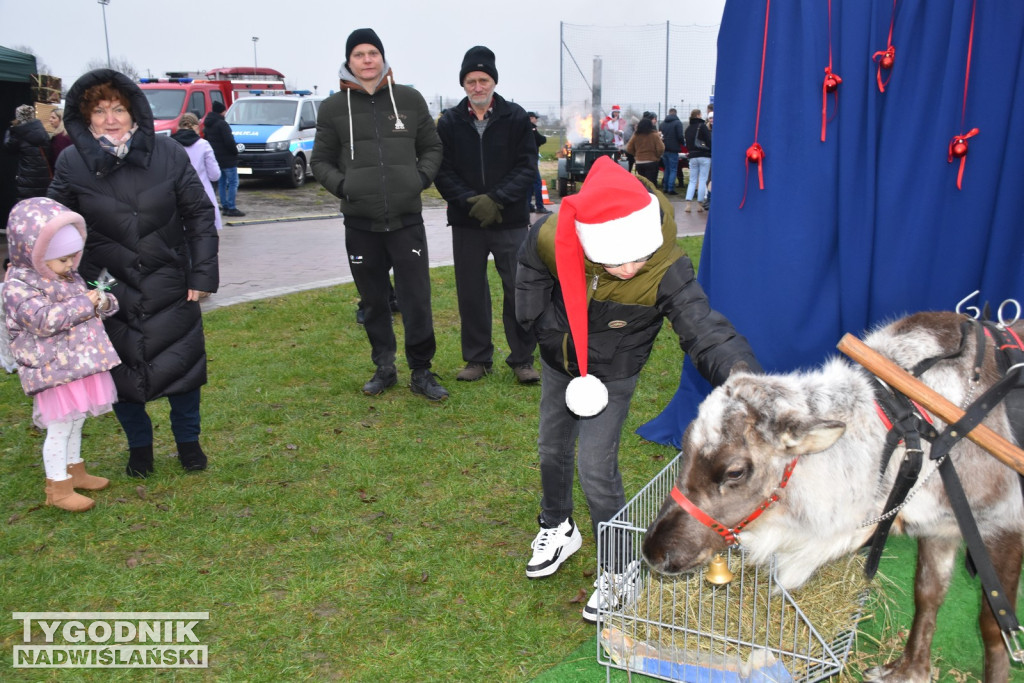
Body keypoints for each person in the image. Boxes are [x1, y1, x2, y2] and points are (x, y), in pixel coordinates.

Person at [516, 157, 761, 622]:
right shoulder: (553, 234)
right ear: (590, 243)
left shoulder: (664, 264)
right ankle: (557, 526)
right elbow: (528, 267)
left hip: (614, 369)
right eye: (618, 258)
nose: (631, 268)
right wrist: (539, 325)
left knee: (594, 464)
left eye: (639, 256)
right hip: (560, 361)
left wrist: (741, 378)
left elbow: (703, 328)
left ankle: (619, 565)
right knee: (551, 448)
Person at [48, 68, 219, 478]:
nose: (111, 118)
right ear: (84, 117)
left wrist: (202, 275)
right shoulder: (72, 161)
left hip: (169, 279)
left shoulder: (169, 153)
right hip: (106, 287)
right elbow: (52, 223)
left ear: (134, 111)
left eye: (119, 108)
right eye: (100, 110)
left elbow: (198, 214)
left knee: (182, 366)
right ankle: (139, 447)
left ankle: (188, 444)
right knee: (121, 372)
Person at [311, 28, 448, 401]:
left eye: (373, 53)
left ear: (383, 58)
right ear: (349, 61)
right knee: (373, 300)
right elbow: (319, 160)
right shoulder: (333, 107)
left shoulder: (409, 98)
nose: (367, 60)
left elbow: (432, 146)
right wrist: (344, 186)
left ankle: (422, 370)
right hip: (360, 223)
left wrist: (418, 179)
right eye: (359, 54)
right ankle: (384, 368)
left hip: (406, 221)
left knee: (416, 298)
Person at [3, 197, 121, 511]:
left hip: (79, 364)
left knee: (76, 420)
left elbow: (88, 309)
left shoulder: (68, 275)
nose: (71, 265)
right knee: (59, 426)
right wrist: (86, 303)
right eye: (63, 260)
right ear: (37, 254)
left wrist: (103, 302)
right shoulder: (17, 286)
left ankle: (75, 470)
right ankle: (57, 487)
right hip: (53, 370)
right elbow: (44, 321)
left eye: (73, 257)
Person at [434, 45, 540, 385]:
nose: (477, 86)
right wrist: (470, 201)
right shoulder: (449, 122)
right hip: (466, 223)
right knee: (471, 291)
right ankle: (477, 359)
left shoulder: (516, 117)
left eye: (483, 79)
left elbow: (526, 167)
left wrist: (496, 200)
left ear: (493, 81)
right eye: (471, 80)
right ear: (463, 84)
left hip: (509, 221)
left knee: (518, 289)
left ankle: (523, 358)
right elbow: (442, 170)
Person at [172, 113, 222, 232]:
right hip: (202, 195)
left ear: (179, 126)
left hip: (177, 196)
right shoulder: (203, 145)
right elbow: (215, 175)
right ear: (197, 126)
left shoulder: (171, 144)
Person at [203, 101, 245, 217]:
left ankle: (225, 206)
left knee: (222, 183)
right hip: (228, 159)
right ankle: (231, 207)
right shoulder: (222, 124)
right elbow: (229, 141)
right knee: (233, 183)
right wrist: (235, 152)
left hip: (216, 159)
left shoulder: (208, 124)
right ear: (222, 111)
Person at [4, 105, 52, 199]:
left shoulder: (19, 133)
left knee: (26, 205)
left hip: (26, 177)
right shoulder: (42, 131)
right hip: (44, 176)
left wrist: (10, 130)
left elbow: (8, 147)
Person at [683, 108, 711, 213]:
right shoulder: (702, 126)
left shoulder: (688, 128)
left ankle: (688, 203)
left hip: (692, 156)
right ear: (699, 115)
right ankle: (699, 204)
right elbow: (709, 141)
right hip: (704, 156)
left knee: (692, 180)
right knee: (703, 180)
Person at [625, 116, 664, 185]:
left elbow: (629, 148)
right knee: (651, 184)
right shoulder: (654, 135)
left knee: (642, 183)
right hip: (652, 162)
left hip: (639, 162)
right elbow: (661, 148)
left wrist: (636, 154)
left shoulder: (636, 135)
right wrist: (657, 156)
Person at [526, 112, 551, 215]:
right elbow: (540, 139)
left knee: (529, 183)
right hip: (531, 159)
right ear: (531, 118)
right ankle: (539, 206)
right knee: (537, 183)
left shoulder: (521, 127)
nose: (536, 120)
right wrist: (544, 138)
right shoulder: (531, 127)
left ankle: (528, 205)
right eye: (535, 118)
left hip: (525, 159)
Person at [658, 107, 685, 195]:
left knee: (667, 169)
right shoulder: (678, 123)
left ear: (669, 113)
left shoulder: (662, 124)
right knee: (673, 169)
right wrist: (682, 143)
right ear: (676, 114)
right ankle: (670, 188)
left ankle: (665, 187)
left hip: (664, 149)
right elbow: (680, 136)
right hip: (674, 149)